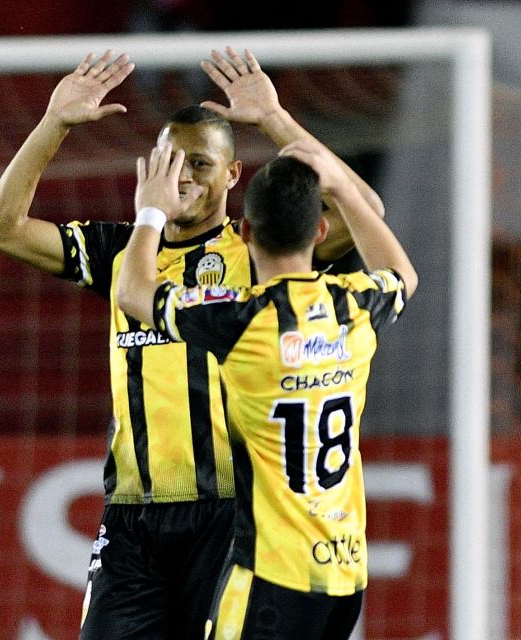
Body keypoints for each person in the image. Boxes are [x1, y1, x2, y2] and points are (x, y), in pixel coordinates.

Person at [0, 48, 383, 639]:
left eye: (201, 162)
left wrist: (273, 119)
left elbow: (363, 210)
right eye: (172, 160)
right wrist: (52, 125)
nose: (184, 174)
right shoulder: (125, 252)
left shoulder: (262, 253)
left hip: (232, 515)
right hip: (134, 519)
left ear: (234, 174)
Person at [114, 137, 417, 639]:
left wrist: (150, 213)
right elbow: (401, 273)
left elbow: (130, 291)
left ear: (247, 232)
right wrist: (342, 187)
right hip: (343, 572)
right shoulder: (355, 307)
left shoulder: (240, 319)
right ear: (321, 230)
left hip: (272, 574)